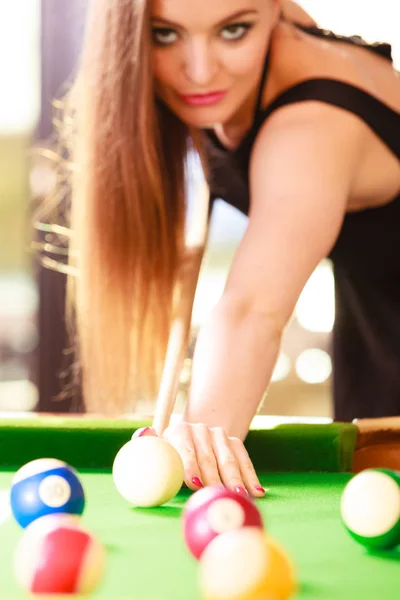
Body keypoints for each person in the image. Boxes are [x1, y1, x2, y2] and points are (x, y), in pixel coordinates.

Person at [48, 0, 400, 497]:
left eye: (233, 30)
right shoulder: (269, 32)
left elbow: (253, 309)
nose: (198, 71)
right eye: (166, 35)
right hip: (374, 330)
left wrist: (203, 437)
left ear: (273, 10)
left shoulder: (312, 127)